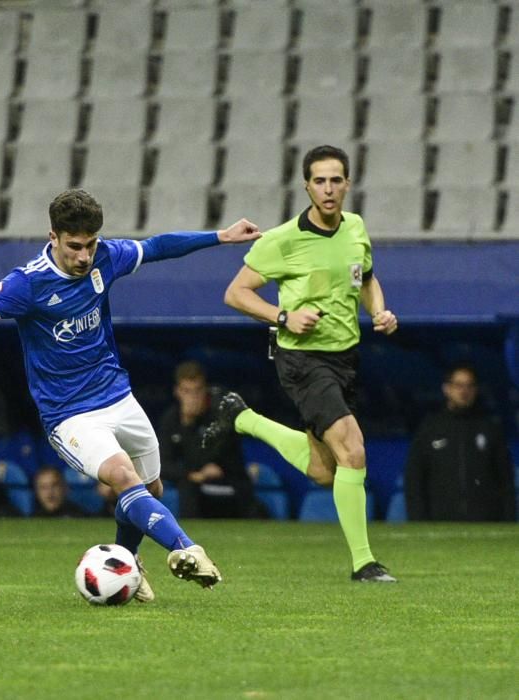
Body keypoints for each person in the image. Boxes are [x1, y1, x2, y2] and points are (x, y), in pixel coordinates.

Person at [0, 188, 262, 597]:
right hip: (69, 414)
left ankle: (129, 563)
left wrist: (219, 236)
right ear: (53, 236)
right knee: (124, 478)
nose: (84, 256)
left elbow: (158, 246)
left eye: (90, 244)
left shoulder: (106, 257)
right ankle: (186, 548)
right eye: (74, 246)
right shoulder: (28, 282)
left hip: (117, 396)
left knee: (152, 489)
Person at [204, 144, 399, 583]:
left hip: (345, 356)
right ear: (306, 186)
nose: (328, 189)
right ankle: (364, 563)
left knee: (323, 470)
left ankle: (243, 418)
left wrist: (379, 311)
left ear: (347, 184)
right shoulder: (283, 240)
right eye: (319, 181)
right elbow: (236, 293)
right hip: (302, 358)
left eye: (336, 180)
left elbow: (365, 278)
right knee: (353, 447)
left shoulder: (355, 228)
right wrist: (283, 316)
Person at [404, 363, 515, 521]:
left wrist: (508, 519)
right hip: (439, 521)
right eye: (458, 385)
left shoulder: (490, 429)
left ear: (476, 390)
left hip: (485, 522)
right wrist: (417, 519)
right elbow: (414, 479)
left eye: (469, 386)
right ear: (447, 389)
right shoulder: (430, 429)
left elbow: (505, 480)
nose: (464, 391)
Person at [157, 361, 257, 518]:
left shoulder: (221, 414)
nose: (192, 398)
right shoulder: (171, 418)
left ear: (205, 390)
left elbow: (206, 458)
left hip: (230, 483)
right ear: (177, 392)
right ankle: (187, 539)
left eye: (197, 391)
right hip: (195, 485)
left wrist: (188, 425)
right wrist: (190, 475)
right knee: (187, 486)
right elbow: (161, 463)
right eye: (186, 391)